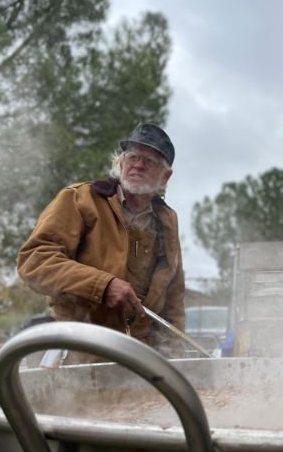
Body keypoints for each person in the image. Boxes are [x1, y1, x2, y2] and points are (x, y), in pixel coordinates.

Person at [18, 122, 186, 360]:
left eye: (149, 161)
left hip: (140, 363)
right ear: (122, 161)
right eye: (133, 156)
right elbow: (34, 261)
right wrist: (103, 285)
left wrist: (175, 364)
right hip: (79, 350)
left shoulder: (168, 222)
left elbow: (173, 306)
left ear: (165, 176)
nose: (138, 165)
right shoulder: (80, 199)